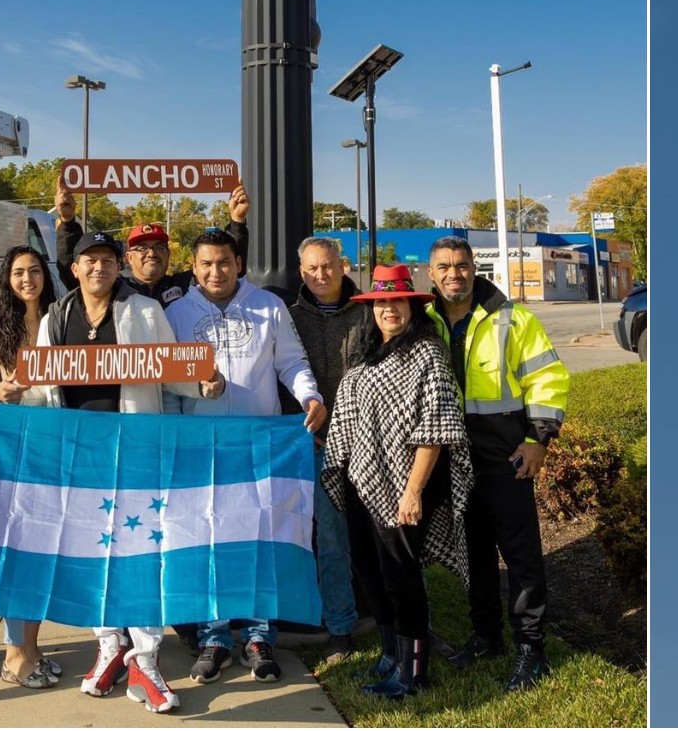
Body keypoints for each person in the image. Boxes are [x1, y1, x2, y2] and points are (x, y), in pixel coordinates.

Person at [26, 230, 225, 716]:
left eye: (108, 261)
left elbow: (171, 369)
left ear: (120, 267)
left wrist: (205, 385)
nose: (99, 268)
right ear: (74, 268)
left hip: (134, 451)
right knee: (95, 554)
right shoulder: (57, 317)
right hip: (81, 458)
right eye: (89, 260)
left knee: (140, 552)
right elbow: (45, 389)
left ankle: (146, 659)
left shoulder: (144, 311)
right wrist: (17, 393)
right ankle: (109, 644)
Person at [164, 229, 327, 686]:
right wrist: (179, 439)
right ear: (194, 267)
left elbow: (290, 363)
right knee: (208, 541)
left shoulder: (268, 307)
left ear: (239, 263)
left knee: (260, 539)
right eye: (206, 264)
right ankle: (214, 636)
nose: (215, 272)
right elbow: (171, 383)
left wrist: (309, 396)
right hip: (204, 448)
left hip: (261, 446)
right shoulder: (175, 314)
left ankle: (259, 637)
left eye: (224, 262)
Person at [426, 236, 571, 692]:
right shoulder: (423, 320)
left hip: (506, 455)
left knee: (522, 556)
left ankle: (532, 648)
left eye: (462, 265)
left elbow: (547, 378)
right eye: (445, 267)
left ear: (475, 268)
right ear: (431, 274)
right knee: (476, 557)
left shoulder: (513, 318)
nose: (454, 274)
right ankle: (487, 637)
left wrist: (538, 439)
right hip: (453, 460)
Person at [322, 264, 471, 700]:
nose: (389, 309)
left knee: (402, 578)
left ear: (412, 305)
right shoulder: (366, 353)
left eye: (397, 301)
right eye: (382, 302)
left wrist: (412, 491)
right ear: (372, 309)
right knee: (371, 573)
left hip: (402, 486)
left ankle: (414, 671)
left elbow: (436, 428)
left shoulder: (427, 354)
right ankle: (391, 655)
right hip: (361, 484)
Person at [0, 246, 65, 689]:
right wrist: (5, 395)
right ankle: (15, 654)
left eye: (33, 271)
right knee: (19, 551)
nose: (27, 279)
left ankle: (33, 648)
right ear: (6, 280)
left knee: (43, 552)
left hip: (57, 448)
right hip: (16, 450)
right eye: (17, 273)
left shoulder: (62, 320)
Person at [284, 237, 371, 669]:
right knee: (331, 540)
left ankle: (401, 620)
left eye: (329, 266)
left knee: (385, 539)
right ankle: (340, 629)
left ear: (344, 266)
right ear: (302, 272)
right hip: (316, 446)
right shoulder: (288, 318)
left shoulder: (370, 312)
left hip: (370, 443)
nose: (321, 275)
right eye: (312, 268)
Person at [52, 183, 250, 305]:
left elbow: (230, 269)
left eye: (159, 247)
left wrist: (237, 221)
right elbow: (72, 274)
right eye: (142, 248)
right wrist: (68, 222)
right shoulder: (116, 288)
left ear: (168, 254)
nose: (151, 252)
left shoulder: (187, 286)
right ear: (128, 257)